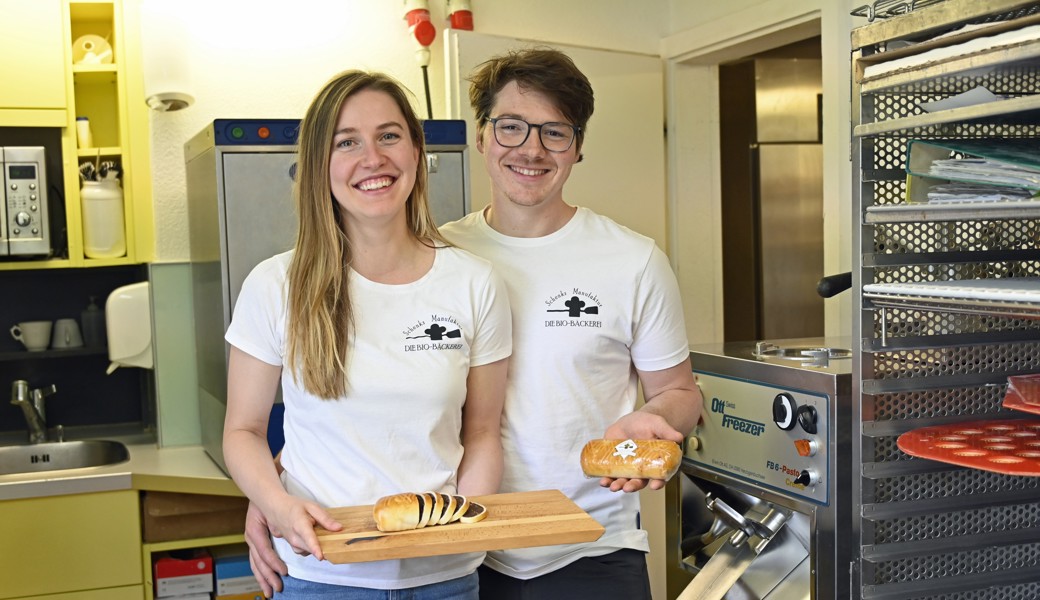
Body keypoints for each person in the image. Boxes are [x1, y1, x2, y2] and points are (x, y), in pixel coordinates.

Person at [247, 49, 702, 599]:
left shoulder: (633, 260)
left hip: (588, 546)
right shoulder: (436, 259)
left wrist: (653, 418)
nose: (531, 149)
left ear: (578, 147)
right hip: (456, 553)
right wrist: (270, 494)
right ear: (481, 137)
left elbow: (679, 390)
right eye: (511, 127)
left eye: (555, 132)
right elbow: (368, 405)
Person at [223, 69, 511, 599]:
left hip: (444, 580)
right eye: (346, 142)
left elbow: (483, 432)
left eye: (389, 135)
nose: (372, 158)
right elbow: (243, 431)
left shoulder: (474, 283)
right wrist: (277, 507)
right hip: (321, 574)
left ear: (416, 151)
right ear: (318, 166)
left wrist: (464, 528)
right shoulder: (275, 285)